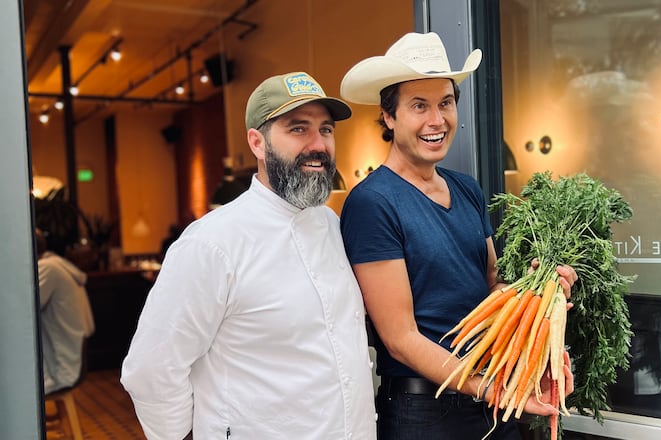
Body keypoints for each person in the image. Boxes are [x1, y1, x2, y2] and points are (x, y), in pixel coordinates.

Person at [339, 32, 578, 439]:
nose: (437, 120)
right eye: (419, 106)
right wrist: (491, 389)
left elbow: (491, 286)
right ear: (389, 116)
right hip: (424, 413)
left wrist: (539, 296)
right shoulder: (372, 202)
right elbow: (401, 339)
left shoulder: (466, 187)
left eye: (445, 103)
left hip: (488, 398)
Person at [120, 72, 377, 440]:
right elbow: (151, 369)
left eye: (326, 130)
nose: (318, 144)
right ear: (257, 143)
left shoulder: (332, 224)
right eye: (298, 129)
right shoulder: (212, 243)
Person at [37, 229, 95, 395]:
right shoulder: (56, 263)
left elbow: (25, 309)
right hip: (73, 356)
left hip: (62, 368)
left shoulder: (47, 268)